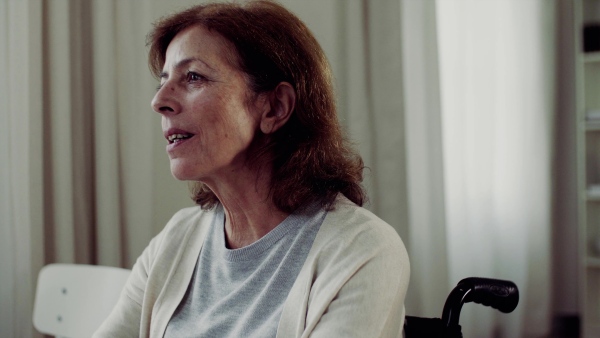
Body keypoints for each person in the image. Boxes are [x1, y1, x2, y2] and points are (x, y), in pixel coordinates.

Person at [93, 1, 409, 337]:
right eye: (164, 81)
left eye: (194, 77)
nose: (159, 101)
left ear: (275, 107)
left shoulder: (363, 250)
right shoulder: (175, 241)